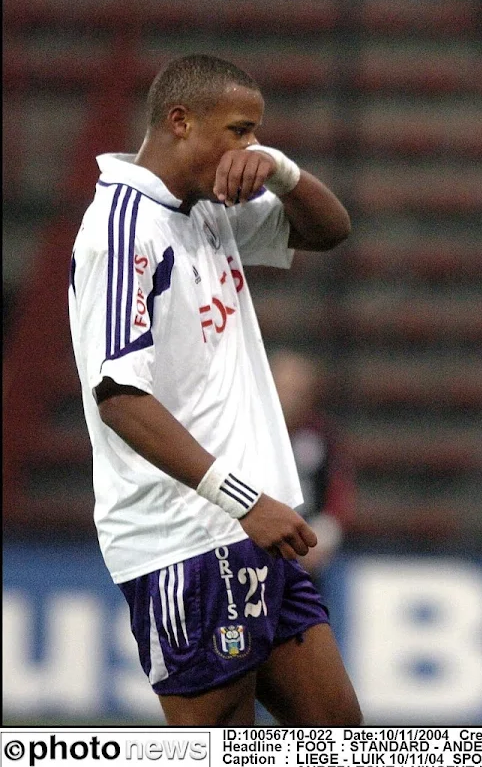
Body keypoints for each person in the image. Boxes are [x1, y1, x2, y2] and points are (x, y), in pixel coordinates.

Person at [67, 54, 361, 726]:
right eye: (238, 130)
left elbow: (329, 230)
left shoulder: (205, 209)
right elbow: (120, 398)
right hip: (187, 539)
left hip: (255, 532)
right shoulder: (123, 231)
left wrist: (283, 171)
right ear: (179, 122)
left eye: (257, 132)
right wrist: (243, 500)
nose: (249, 148)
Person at [270, 349, 356, 594]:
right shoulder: (248, 433)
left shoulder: (322, 437)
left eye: (298, 392)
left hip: (304, 555)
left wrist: (321, 539)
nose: (290, 398)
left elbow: (338, 496)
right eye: (284, 389)